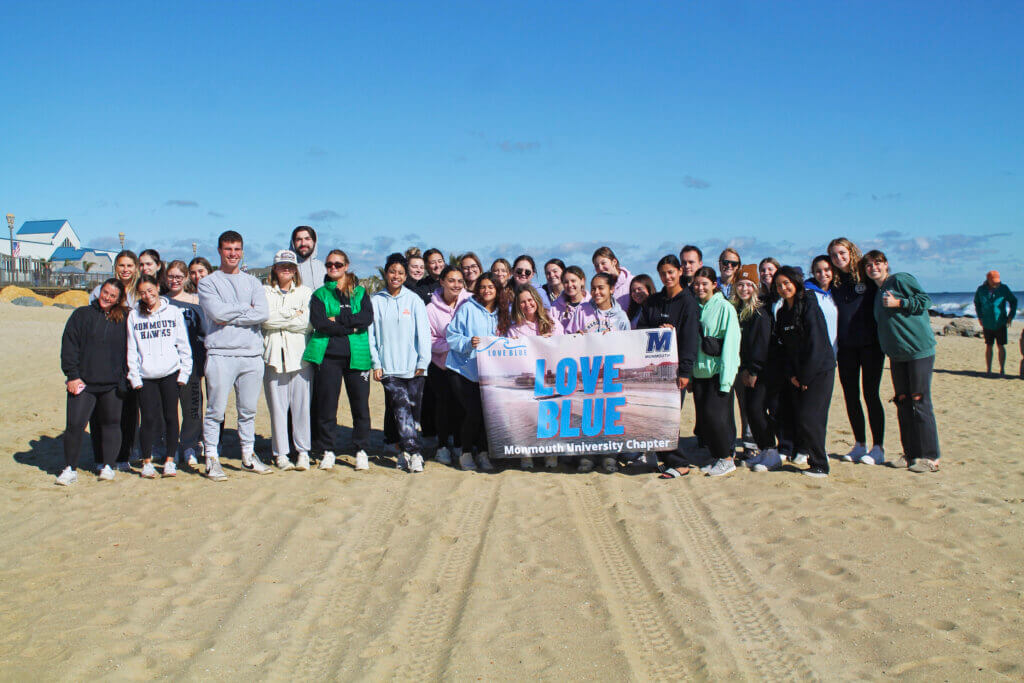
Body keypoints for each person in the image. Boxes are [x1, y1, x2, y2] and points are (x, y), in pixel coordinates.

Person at [198, 230, 270, 480]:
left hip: (251, 355)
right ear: (219, 250)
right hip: (221, 354)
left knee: (248, 410)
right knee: (215, 410)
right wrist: (243, 308)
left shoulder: (253, 283)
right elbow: (216, 313)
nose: (233, 254)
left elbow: (261, 313)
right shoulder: (208, 282)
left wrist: (232, 314)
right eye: (228, 249)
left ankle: (248, 456)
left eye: (237, 249)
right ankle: (211, 458)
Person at [863, 251, 941, 473]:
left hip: (918, 351)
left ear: (886, 264)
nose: (873, 268)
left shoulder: (899, 279)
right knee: (903, 402)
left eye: (877, 263)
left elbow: (925, 300)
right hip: (896, 355)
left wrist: (900, 302)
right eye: (868, 265)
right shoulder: (876, 292)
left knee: (920, 401)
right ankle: (911, 454)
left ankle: (930, 457)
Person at [304, 250, 374, 471]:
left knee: (360, 406)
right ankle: (328, 450)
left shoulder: (360, 292)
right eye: (329, 265)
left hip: (357, 355)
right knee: (327, 406)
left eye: (338, 264)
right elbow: (321, 323)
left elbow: (366, 319)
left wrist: (340, 320)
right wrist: (350, 325)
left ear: (346, 265)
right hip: (328, 356)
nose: (333, 268)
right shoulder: (319, 294)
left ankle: (361, 450)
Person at [57, 279, 130, 485]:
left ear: (118, 299)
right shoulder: (81, 315)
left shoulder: (125, 317)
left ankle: (108, 466)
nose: (107, 298)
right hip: (83, 383)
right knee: (74, 425)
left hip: (112, 384)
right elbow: (69, 346)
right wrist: (72, 375)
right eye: (105, 292)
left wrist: (124, 378)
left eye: (112, 296)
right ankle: (69, 468)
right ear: (99, 292)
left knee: (111, 424)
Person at [636, 255, 699, 475]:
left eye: (671, 272)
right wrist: (658, 330)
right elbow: (641, 329)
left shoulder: (688, 302)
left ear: (680, 271)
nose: (667, 277)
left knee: (668, 418)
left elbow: (691, 339)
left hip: (675, 371)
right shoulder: (654, 301)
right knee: (654, 417)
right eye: (663, 273)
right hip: (654, 370)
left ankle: (679, 464)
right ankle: (667, 459)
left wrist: (685, 372)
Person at [369, 253, 432, 472]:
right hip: (389, 368)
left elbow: (423, 334)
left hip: (414, 367)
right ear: (386, 273)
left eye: (400, 273)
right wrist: (376, 363)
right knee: (400, 409)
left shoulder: (413, 300)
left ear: (405, 276)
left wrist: (423, 361)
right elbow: (371, 336)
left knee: (412, 413)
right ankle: (415, 453)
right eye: (392, 272)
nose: (396, 276)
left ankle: (404, 453)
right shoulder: (376, 300)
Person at [772, 266, 836, 478]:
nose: (783, 288)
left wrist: (807, 377)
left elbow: (817, 344)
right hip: (797, 374)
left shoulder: (808, 304)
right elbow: (785, 347)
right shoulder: (782, 312)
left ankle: (820, 464)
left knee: (811, 418)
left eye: (786, 283)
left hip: (819, 370)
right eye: (779, 285)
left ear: (796, 282)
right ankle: (813, 458)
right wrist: (792, 374)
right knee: (801, 418)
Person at [127, 274, 192, 478]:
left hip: (170, 374)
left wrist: (184, 373)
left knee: (171, 417)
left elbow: (183, 344)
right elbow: (131, 349)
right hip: (146, 376)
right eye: (142, 292)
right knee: (147, 419)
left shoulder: (172, 312)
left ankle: (170, 460)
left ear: (157, 287)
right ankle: (147, 462)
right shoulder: (134, 315)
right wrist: (135, 377)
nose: (147, 295)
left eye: (150, 290)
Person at [828, 237, 885, 465]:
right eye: (834, 255)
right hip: (846, 347)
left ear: (851, 252)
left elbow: (886, 286)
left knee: (871, 394)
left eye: (842, 253)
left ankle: (878, 447)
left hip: (871, 345)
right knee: (851, 396)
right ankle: (860, 444)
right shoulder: (834, 281)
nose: (838, 258)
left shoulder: (865, 275)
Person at [262, 250, 313, 471]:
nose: (286, 269)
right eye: (282, 265)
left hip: (300, 358)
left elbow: (306, 323)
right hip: (273, 357)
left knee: (302, 408)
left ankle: (303, 451)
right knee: (278, 408)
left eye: (290, 266)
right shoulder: (264, 292)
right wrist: (292, 314)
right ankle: (281, 453)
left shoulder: (306, 292)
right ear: (275, 268)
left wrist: (281, 317)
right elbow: (265, 320)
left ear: (295, 269)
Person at [446, 272, 502, 472]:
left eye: (491, 287)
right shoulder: (467, 308)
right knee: (473, 412)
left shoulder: (503, 311)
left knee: (487, 414)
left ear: (497, 290)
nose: (487, 291)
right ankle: (466, 452)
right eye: (483, 287)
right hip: (462, 370)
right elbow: (451, 336)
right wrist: (468, 343)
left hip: (489, 373)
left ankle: (484, 453)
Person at [89, 250, 140, 470]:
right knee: (102, 410)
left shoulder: (140, 293)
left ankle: (123, 456)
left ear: (136, 268)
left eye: (129, 265)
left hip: (132, 357)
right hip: (106, 355)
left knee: (129, 409)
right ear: (115, 267)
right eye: (121, 265)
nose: (125, 270)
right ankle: (101, 456)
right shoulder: (100, 292)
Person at [689, 267, 741, 478]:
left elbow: (731, 343)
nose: (700, 288)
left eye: (704, 283)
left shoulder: (725, 308)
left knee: (717, 416)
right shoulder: (694, 307)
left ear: (714, 284)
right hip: (699, 372)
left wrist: (726, 379)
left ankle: (727, 459)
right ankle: (719, 455)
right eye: (697, 284)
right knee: (706, 419)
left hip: (718, 372)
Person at [730, 265, 780, 472]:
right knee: (751, 411)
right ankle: (763, 451)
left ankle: (772, 451)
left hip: (757, 371)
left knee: (758, 411)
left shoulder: (760, 312)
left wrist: (754, 370)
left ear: (755, 287)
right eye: (740, 285)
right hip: (742, 368)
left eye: (748, 285)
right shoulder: (736, 309)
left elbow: (761, 344)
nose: (744, 289)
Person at [427, 266, 471, 466]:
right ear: (442, 282)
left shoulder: (470, 303)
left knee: (463, 406)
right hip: (441, 365)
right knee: (443, 406)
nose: (456, 285)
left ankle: (461, 445)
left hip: (465, 365)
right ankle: (442, 446)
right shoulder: (430, 309)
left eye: (460, 281)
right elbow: (429, 339)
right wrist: (452, 344)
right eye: (451, 280)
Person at [167, 260, 206, 469]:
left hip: (191, 362)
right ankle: (170, 445)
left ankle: (190, 445)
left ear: (185, 279)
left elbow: (204, 332)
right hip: (166, 363)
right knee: (168, 408)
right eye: (171, 276)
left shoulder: (196, 301)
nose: (175, 281)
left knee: (192, 407)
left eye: (178, 277)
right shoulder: (161, 301)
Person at [974, 270, 1017, 376]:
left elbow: (1013, 301)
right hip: (987, 322)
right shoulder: (981, 290)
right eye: (994, 281)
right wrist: (980, 316)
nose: (996, 283)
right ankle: (989, 370)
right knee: (989, 345)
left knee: (1001, 345)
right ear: (988, 280)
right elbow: (977, 303)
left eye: (997, 281)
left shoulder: (1004, 288)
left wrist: (1011, 316)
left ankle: (1002, 370)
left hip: (1000, 322)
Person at [806, 255, 838, 354]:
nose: (823, 274)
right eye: (818, 271)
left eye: (827, 270)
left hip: (836, 350)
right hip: (815, 352)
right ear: (813, 273)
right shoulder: (806, 293)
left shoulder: (838, 292)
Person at [550, 265, 590, 332]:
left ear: (582, 281)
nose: (570, 285)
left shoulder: (592, 303)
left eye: (573, 281)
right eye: (566, 282)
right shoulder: (555, 307)